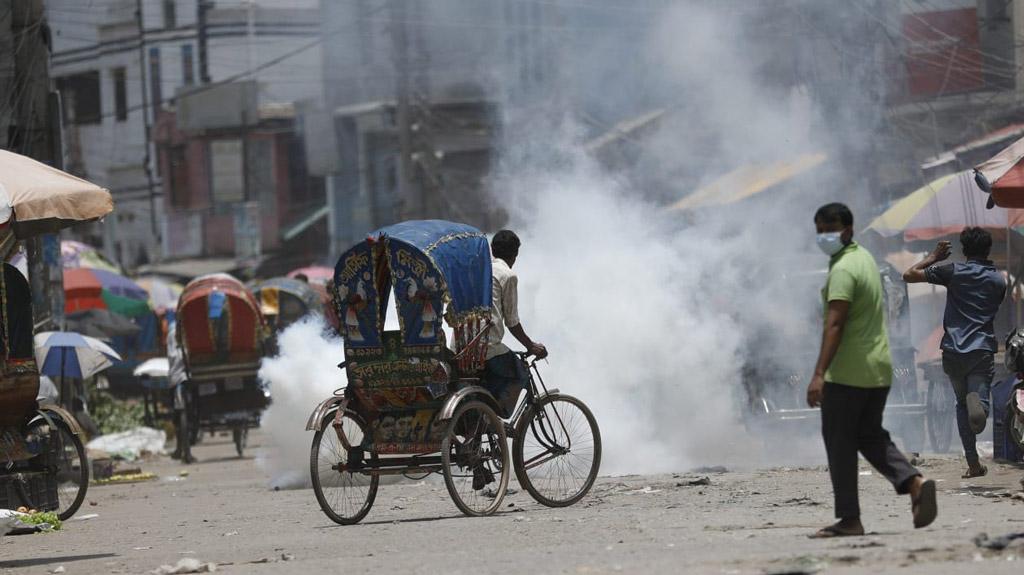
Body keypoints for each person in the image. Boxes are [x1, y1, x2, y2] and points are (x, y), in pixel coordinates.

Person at [807, 203, 936, 538]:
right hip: (878, 368)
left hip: (849, 371)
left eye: (830, 228)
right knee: (868, 435)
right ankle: (913, 482)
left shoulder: (844, 269)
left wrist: (819, 373)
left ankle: (850, 519)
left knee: (839, 442)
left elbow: (835, 324)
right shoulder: (864, 259)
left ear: (848, 229)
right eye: (819, 229)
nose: (824, 235)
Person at [903, 227, 1006, 478]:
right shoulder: (998, 280)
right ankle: (980, 405)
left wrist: (935, 256)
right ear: (988, 249)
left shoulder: (953, 272)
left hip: (952, 349)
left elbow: (909, 275)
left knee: (961, 404)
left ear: (963, 250)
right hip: (981, 348)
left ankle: (973, 464)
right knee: (978, 402)